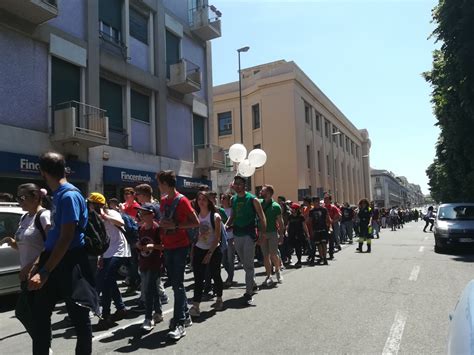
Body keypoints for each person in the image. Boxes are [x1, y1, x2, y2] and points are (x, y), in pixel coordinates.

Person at [29, 152, 96, 355]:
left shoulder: (68, 195)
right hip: (54, 258)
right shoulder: (58, 195)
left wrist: (46, 271)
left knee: (79, 319)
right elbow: (54, 234)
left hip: (70, 262)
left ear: (43, 172)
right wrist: (39, 261)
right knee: (39, 316)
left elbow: (66, 237)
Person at [0, 184, 51, 337]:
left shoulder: (44, 216)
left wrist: (32, 266)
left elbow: (50, 247)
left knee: (25, 312)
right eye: (18, 198)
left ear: (36, 197)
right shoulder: (24, 217)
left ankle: (43, 344)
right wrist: (12, 243)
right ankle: (43, 343)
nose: (20, 201)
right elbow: (26, 246)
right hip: (26, 274)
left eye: (23, 198)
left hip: (39, 275)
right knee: (31, 314)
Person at [157, 170, 200, 340]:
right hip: (167, 246)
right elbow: (164, 220)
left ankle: (179, 322)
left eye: (160, 183)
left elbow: (195, 222)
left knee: (178, 285)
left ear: (166, 184)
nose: (158, 187)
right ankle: (185, 316)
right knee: (176, 284)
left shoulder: (181, 200)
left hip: (180, 247)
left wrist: (176, 225)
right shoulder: (163, 201)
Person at [225, 175, 267, 305]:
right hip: (237, 233)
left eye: (240, 184)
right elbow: (233, 215)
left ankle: (249, 292)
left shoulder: (253, 199)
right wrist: (226, 224)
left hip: (249, 234)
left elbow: (262, 217)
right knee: (243, 262)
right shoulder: (234, 199)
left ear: (245, 186)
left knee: (248, 264)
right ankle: (253, 283)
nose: (237, 186)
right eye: (235, 183)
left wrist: (262, 234)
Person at [92, 194, 130, 330]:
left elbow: (121, 223)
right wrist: (101, 257)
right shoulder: (95, 219)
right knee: (107, 280)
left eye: (92, 204)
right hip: (107, 252)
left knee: (107, 280)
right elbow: (102, 238)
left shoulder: (111, 212)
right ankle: (121, 308)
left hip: (120, 250)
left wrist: (105, 216)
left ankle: (106, 316)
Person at [189, 192, 224, 317]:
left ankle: (219, 299)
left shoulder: (215, 216)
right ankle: (196, 306)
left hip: (213, 250)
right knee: (198, 278)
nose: (201, 202)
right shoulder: (197, 216)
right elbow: (196, 236)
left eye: (204, 199)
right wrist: (193, 251)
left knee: (216, 275)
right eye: (199, 199)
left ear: (209, 201)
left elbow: (217, 238)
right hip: (199, 249)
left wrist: (210, 253)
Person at [134, 184, 168, 305]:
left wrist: (154, 244)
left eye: (137, 194)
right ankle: (151, 297)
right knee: (146, 274)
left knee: (152, 274)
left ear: (143, 195)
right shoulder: (151, 206)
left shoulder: (153, 207)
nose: (135, 197)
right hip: (145, 245)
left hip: (154, 246)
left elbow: (158, 228)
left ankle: (153, 298)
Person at [135, 203, 163, 331]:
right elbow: (140, 243)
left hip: (154, 263)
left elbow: (163, 246)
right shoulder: (141, 229)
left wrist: (153, 247)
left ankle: (148, 318)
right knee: (152, 288)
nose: (141, 216)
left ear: (151, 215)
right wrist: (138, 246)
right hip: (144, 262)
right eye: (140, 214)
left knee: (148, 290)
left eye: (144, 214)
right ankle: (158, 312)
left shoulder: (157, 228)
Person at [259, 185, 284, 286]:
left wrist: (281, 235)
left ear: (268, 193)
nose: (261, 192)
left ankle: (277, 270)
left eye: (263, 190)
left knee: (274, 255)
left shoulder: (276, 206)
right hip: (262, 233)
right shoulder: (259, 203)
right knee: (265, 256)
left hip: (272, 233)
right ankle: (269, 276)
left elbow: (280, 221)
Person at [308, 198, 330, 265]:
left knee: (324, 243)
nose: (316, 203)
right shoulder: (311, 211)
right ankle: (322, 257)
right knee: (319, 244)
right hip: (316, 229)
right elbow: (310, 221)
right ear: (313, 203)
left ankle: (325, 257)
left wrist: (329, 227)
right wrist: (311, 230)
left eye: (317, 201)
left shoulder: (324, 209)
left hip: (323, 228)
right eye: (315, 202)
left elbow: (327, 218)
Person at [287, 203, 310, 268]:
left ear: (296, 209)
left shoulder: (301, 217)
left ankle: (299, 260)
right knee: (290, 247)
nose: (292, 209)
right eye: (292, 208)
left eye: (293, 208)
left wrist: (307, 234)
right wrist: (286, 231)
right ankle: (289, 259)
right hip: (291, 234)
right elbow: (288, 225)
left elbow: (304, 225)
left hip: (299, 234)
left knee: (298, 248)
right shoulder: (290, 216)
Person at [220, 193, 236, 287]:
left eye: (224, 198)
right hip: (222, 239)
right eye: (221, 198)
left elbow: (233, 223)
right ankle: (230, 275)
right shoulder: (219, 211)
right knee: (223, 260)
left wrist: (228, 226)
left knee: (230, 259)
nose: (222, 200)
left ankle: (230, 278)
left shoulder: (232, 211)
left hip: (231, 238)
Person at [324, 194, 342, 259]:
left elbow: (339, 216)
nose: (325, 200)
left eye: (326, 199)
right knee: (324, 240)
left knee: (331, 240)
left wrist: (333, 221)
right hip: (324, 225)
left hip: (332, 225)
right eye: (324, 199)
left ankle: (331, 253)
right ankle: (323, 254)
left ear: (330, 200)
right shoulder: (323, 207)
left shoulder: (333, 207)